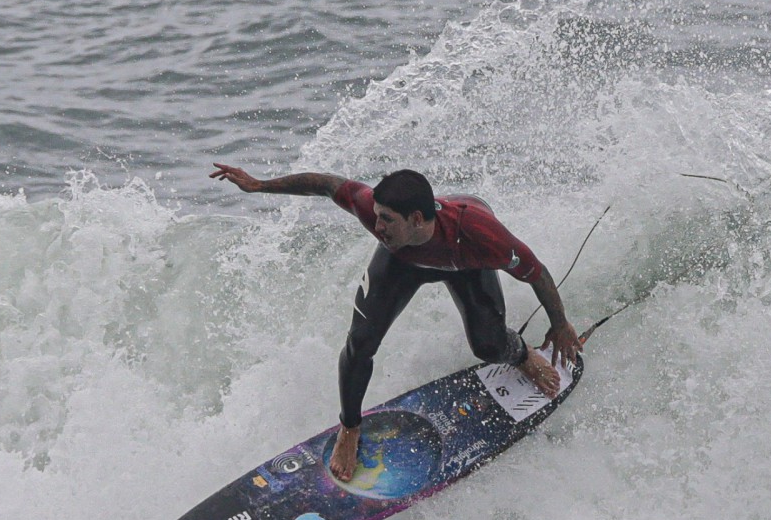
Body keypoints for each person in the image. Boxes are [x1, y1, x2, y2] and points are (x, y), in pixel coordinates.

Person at [210, 163, 582, 481]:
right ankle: (350, 429)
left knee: (488, 346)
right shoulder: (378, 218)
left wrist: (560, 323)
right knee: (361, 344)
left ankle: (521, 355)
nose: (377, 224)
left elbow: (537, 273)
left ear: (416, 219)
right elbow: (326, 184)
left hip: (464, 263)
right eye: (377, 214)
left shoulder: (484, 238)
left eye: (387, 219)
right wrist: (260, 185)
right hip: (402, 263)